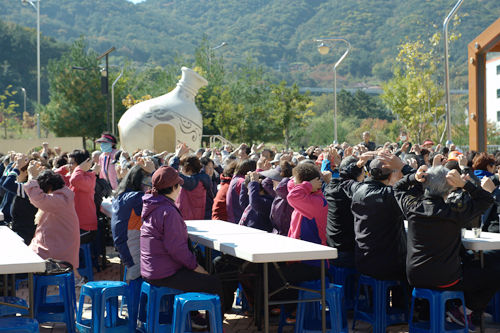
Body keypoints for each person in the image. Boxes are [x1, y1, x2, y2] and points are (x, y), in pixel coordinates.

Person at [396, 165, 500, 331]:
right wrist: (465, 184)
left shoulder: (412, 207)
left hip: (415, 275)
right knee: (495, 274)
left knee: (470, 267)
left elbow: (397, 187)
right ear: (450, 188)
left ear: (425, 184)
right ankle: (463, 312)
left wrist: (412, 177)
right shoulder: (453, 211)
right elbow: (487, 200)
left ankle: (430, 315)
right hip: (446, 278)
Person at [140, 165, 225, 323]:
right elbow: (177, 249)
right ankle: (215, 326)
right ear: (173, 187)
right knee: (214, 283)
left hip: (150, 269)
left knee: (194, 271)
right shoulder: (168, 211)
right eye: (178, 184)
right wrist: (197, 268)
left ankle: (192, 317)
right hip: (164, 273)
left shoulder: (152, 203)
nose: (180, 188)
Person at [351, 152, 414, 281]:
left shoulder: (357, 190)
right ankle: (402, 302)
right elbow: (422, 185)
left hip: (363, 261)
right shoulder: (391, 196)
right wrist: (404, 167)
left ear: (369, 173)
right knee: (414, 269)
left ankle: (374, 301)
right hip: (390, 265)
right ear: (391, 175)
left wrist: (358, 164)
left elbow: (343, 178)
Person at [24, 163, 83, 285]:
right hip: (59, 240)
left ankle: (72, 278)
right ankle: (75, 277)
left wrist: (31, 177)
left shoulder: (60, 199)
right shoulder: (62, 194)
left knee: (28, 256)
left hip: (58, 245)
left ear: (49, 187)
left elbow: (39, 199)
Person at [112, 158, 156, 281]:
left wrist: (120, 178)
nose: (149, 186)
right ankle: (136, 299)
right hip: (132, 251)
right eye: (147, 182)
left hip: (125, 248)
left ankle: (132, 295)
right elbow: (162, 196)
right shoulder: (136, 198)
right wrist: (153, 172)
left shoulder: (121, 195)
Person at [324, 153, 371, 268]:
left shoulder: (330, 187)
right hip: (348, 253)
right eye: (363, 173)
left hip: (330, 248)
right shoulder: (353, 193)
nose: (364, 177)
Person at [56, 149, 98, 244]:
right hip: (72, 226)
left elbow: (75, 181)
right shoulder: (71, 177)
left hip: (86, 229)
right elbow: (51, 178)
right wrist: (65, 168)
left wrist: (79, 168)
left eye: (72, 163)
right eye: (68, 163)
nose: (69, 166)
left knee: (62, 243)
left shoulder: (89, 178)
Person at [169, 144, 212, 220]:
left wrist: (177, 156)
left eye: (182, 167)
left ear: (187, 168)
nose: (181, 170)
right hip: (195, 218)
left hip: (188, 220)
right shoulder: (201, 179)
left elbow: (173, 173)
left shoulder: (192, 182)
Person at [3, 154, 37, 245]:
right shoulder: (23, 186)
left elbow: (7, 184)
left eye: (19, 171)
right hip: (21, 230)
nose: (16, 173)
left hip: (26, 233)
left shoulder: (28, 189)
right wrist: (12, 165)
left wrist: (17, 166)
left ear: (26, 172)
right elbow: (4, 181)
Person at [226, 159, 256, 223]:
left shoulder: (236, 179)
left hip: (233, 218)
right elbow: (251, 200)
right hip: (238, 219)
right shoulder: (241, 181)